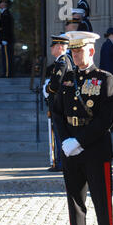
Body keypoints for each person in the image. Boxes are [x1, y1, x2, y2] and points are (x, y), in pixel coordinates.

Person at [53, 31, 113, 225]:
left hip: (95, 148)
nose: (76, 55)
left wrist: (79, 141)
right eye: (73, 51)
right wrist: (65, 141)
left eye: (80, 50)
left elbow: (106, 119)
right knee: (75, 202)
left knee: (103, 203)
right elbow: (57, 111)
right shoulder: (67, 78)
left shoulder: (105, 78)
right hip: (71, 149)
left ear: (91, 51)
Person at [44, 35, 74, 172]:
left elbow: (55, 85)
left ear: (60, 47)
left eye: (54, 45)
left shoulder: (62, 61)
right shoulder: (62, 60)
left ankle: (61, 163)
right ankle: (60, 162)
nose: (51, 47)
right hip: (60, 103)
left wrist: (47, 88)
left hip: (58, 104)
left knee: (59, 134)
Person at [0, 0, 14, 78]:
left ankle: (7, 73)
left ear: (5, 4)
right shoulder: (3, 14)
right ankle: (5, 72)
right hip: (4, 38)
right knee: (4, 57)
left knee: (7, 58)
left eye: (1, 2)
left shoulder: (6, 14)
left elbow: (7, 28)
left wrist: (4, 39)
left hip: (6, 39)